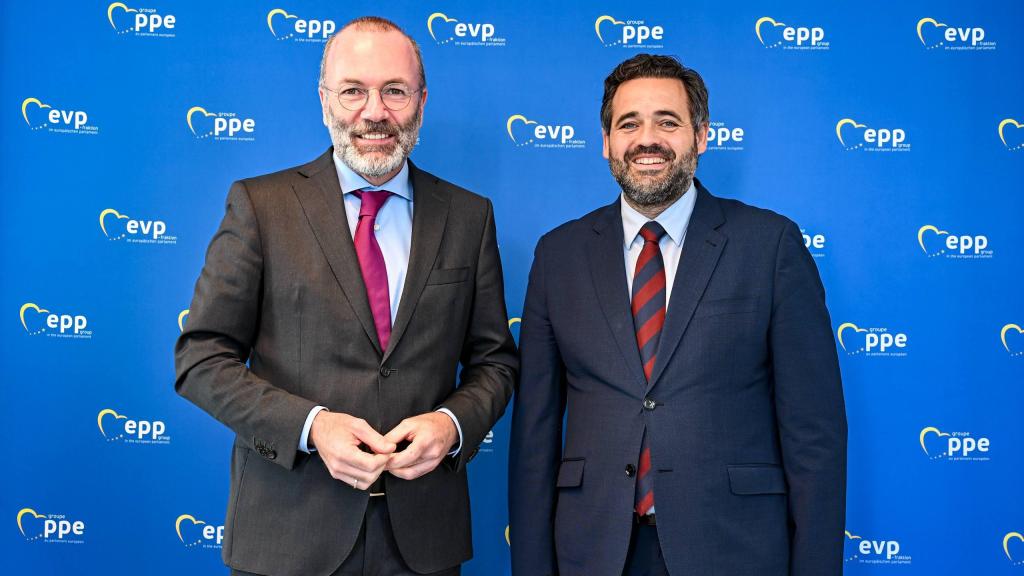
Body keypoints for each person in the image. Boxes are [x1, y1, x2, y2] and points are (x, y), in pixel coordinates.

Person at [175, 16, 516, 576]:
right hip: (287, 538)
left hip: (423, 543)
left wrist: (452, 426)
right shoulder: (261, 206)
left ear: (422, 101)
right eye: (354, 90)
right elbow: (200, 358)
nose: (375, 112)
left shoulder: (469, 216)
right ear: (324, 99)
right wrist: (311, 426)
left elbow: (495, 362)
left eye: (395, 91)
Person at [508, 53, 847, 576]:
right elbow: (534, 436)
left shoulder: (769, 244)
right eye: (629, 124)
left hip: (733, 549)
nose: (648, 140)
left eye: (668, 121)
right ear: (606, 142)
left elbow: (814, 435)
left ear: (701, 136)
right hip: (593, 550)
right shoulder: (559, 255)